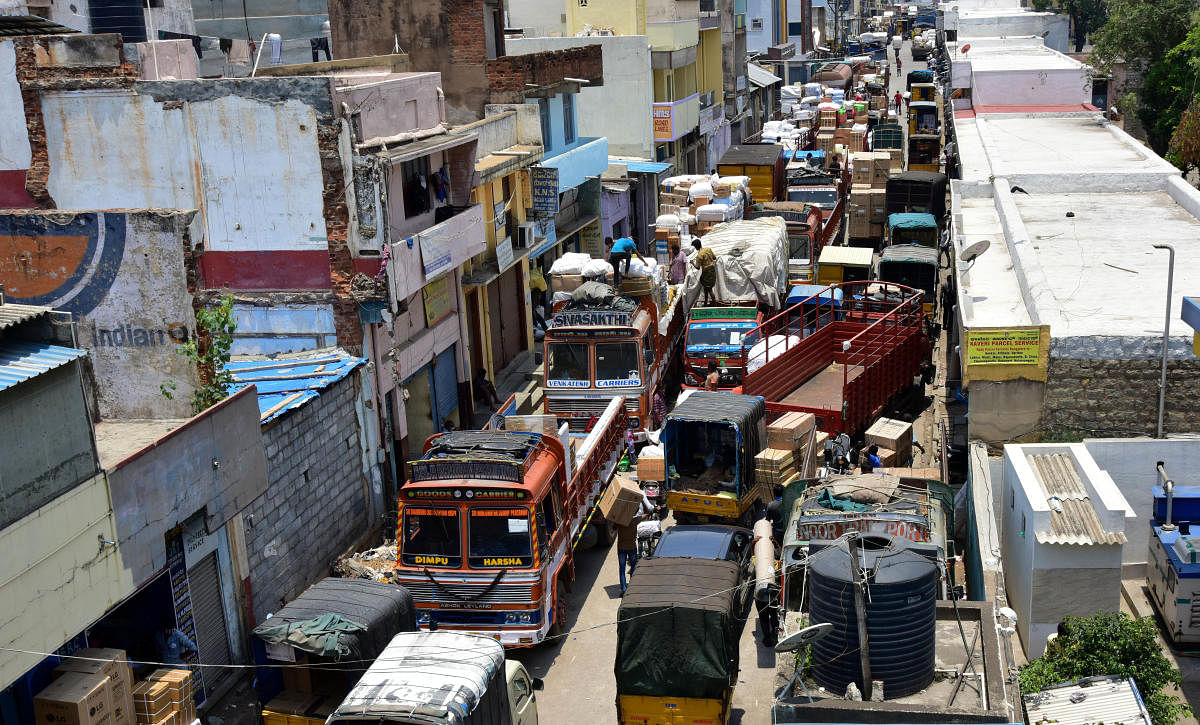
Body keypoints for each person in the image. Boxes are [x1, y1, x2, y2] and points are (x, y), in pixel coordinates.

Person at [615, 494, 655, 595]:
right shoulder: (635, 520)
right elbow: (648, 512)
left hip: (621, 548)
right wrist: (641, 500)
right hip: (632, 548)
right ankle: (632, 587)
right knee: (633, 567)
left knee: (622, 568)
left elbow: (613, 527)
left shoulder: (620, 522)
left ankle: (624, 589)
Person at [691, 239, 717, 305]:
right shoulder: (708, 249)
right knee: (706, 289)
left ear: (696, 247)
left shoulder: (699, 255)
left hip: (706, 273)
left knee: (709, 289)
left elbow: (697, 267)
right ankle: (705, 302)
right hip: (712, 271)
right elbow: (714, 258)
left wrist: (692, 263)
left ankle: (714, 304)